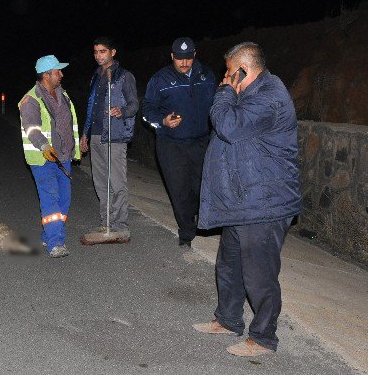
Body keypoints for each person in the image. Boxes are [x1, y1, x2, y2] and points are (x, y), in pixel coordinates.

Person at [192, 42, 302, 357]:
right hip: (244, 200)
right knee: (229, 264)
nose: (224, 79)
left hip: (265, 202)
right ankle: (228, 320)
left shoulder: (270, 97)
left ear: (243, 70)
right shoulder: (251, 95)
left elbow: (228, 126)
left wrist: (225, 93)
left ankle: (264, 338)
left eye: (229, 72)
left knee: (259, 275)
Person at [141, 37, 216, 247]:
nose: (184, 63)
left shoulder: (207, 76)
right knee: (179, 188)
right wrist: (162, 121)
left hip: (201, 142)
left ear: (195, 54)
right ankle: (186, 232)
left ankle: (202, 224)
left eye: (188, 58)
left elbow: (217, 105)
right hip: (170, 144)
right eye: (180, 59)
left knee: (200, 187)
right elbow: (147, 110)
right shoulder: (160, 80)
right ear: (172, 56)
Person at [18, 55, 81, 258]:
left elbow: (69, 125)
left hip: (63, 157)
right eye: (58, 71)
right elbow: (31, 128)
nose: (61, 74)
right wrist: (44, 145)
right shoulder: (31, 100)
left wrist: (76, 148)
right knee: (50, 198)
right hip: (43, 158)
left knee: (64, 200)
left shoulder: (63, 95)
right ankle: (55, 243)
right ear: (47, 75)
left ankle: (48, 233)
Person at [79, 37, 138, 241]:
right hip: (95, 134)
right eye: (96, 51)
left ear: (113, 52)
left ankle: (121, 225)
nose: (98, 55)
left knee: (117, 182)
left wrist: (121, 111)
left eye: (103, 51)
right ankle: (106, 222)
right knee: (100, 181)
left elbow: (134, 105)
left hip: (114, 135)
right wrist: (85, 133)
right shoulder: (96, 76)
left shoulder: (124, 76)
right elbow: (91, 107)